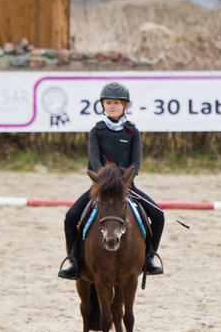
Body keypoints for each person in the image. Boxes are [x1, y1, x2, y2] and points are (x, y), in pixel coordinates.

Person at [58, 82, 164, 280]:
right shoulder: (96, 131)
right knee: (71, 216)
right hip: (102, 187)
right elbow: (94, 161)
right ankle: (74, 261)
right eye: (108, 103)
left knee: (158, 215)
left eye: (116, 102)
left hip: (126, 186)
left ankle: (149, 257)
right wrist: (104, 181)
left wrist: (125, 181)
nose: (112, 106)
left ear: (125, 106)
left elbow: (136, 162)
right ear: (102, 105)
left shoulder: (133, 132)